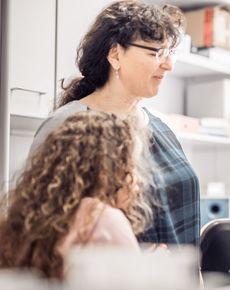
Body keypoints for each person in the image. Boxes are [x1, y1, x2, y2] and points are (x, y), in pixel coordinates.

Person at [29, 1, 200, 246]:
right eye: (155, 53)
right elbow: (41, 231)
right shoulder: (67, 126)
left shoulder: (162, 126)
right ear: (115, 54)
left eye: (170, 53)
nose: (169, 65)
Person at [0, 111, 153, 279]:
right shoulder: (103, 219)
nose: (137, 180)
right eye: (131, 167)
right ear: (106, 172)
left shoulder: (29, 220)